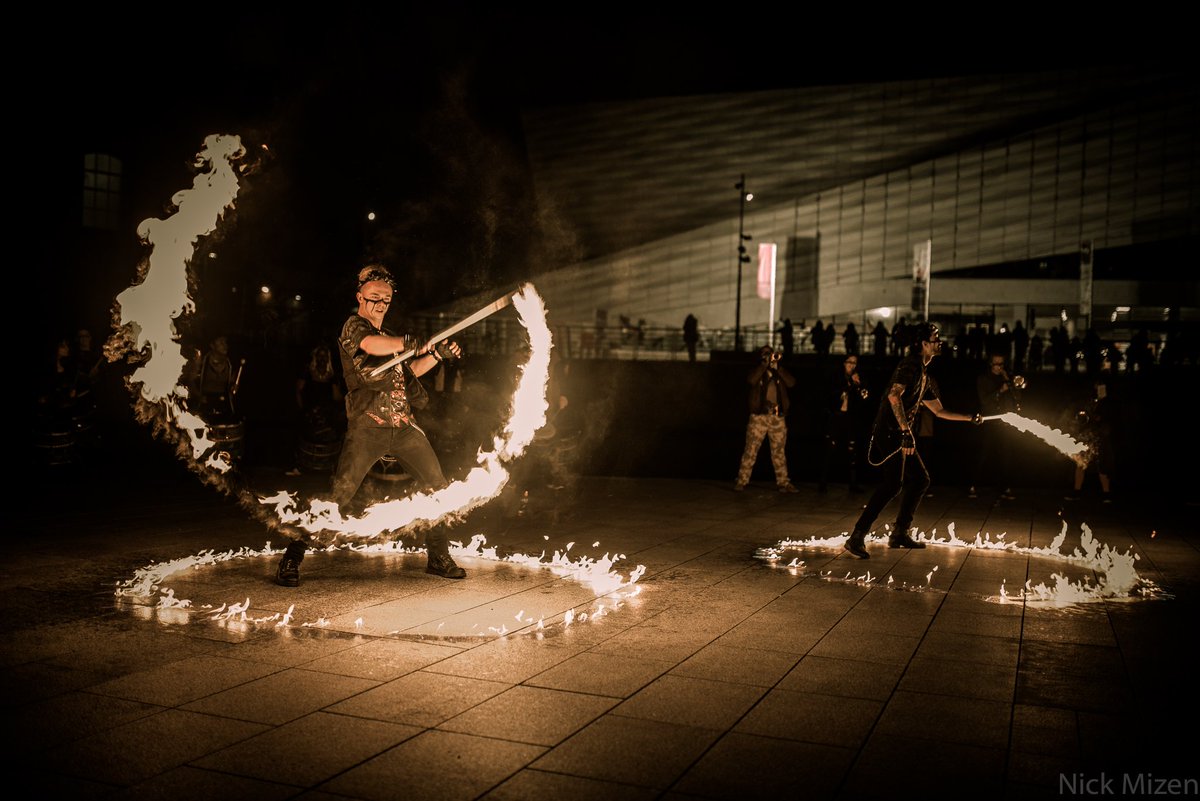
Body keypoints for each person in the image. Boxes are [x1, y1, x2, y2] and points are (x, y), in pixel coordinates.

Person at [275, 265, 466, 587]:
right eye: (374, 298)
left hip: (404, 427)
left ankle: (438, 556)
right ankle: (292, 557)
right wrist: (407, 342)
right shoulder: (355, 328)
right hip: (369, 427)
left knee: (438, 488)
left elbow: (411, 372)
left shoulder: (390, 337)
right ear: (360, 296)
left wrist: (437, 354)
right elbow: (372, 347)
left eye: (386, 299)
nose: (380, 304)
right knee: (339, 494)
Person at [844, 323, 982, 558]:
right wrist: (906, 432)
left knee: (919, 480)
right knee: (893, 484)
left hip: (898, 432)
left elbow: (939, 411)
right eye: (935, 338)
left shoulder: (924, 374)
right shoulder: (910, 366)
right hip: (890, 432)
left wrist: (970, 418)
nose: (940, 341)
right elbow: (893, 395)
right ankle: (857, 536)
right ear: (923, 344)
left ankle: (899, 533)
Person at [734, 345, 799, 493]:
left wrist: (778, 368)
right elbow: (751, 381)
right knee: (751, 449)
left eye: (770, 353)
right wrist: (763, 366)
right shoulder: (756, 370)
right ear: (760, 356)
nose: (769, 356)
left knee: (779, 452)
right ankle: (742, 480)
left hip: (777, 416)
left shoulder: (778, 371)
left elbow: (791, 383)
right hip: (759, 416)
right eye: (765, 354)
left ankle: (783, 482)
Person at [968, 354, 1024, 500]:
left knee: (1006, 455)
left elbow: (1018, 398)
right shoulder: (983, 379)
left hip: (1005, 423)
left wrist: (1009, 383)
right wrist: (1000, 391)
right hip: (989, 422)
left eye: (1002, 364)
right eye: (997, 364)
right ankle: (972, 485)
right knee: (983, 454)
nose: (1000, 367)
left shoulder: (1007, 378)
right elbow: (985, 401)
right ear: (990, 365)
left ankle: (1004, 487)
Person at [1065, 354, 1115, 503]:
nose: (1098, 387)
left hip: (1101, 433)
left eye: (1100, 384)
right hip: (1087, 432)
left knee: (1102, 465)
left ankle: (1106, 493)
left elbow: (1110, 415)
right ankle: (1077, 491)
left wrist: (1101, 413)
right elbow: (1081, 411)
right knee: (1080, 462)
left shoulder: (1108, 399)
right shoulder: (1088, 395)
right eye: (1096, 384)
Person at [818, 353, 869, 493]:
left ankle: (853, 484)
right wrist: (851, 384)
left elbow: (864, 399)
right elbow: (833, 394)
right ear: (843, 363)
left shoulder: (858, 379)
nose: (852, 365)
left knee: (852, 450)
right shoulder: (836, 377)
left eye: (855, 363)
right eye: (849, 362)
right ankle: (823, 482)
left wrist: (858, 386)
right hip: (836, 416)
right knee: (830, 448)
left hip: (850, 418)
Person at [198, 335, 239, 420]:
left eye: (225, 342)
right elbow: (190, 383)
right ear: (212, 345)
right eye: (221, 343)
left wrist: (233, 387)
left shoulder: (230, 363)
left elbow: (231, 384)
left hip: (223, 405)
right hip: (205, 406)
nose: (225, 345)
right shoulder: (201, 362)